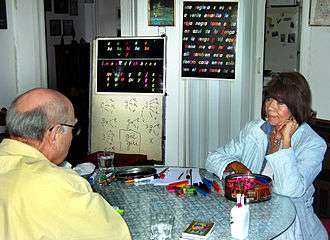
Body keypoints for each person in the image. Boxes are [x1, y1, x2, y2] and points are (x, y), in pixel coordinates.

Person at [206, 72, 328, 239]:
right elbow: (213, 158)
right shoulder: (254, 130)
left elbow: (288, 190)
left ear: (296, 106)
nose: (270, 107)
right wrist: (236, 165)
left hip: (290, 224)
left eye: (280, 103)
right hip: (251, 212)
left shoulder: (312, 144)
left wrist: (286, 142)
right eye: (269, 99)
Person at [0, 88, 131, 240]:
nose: (72, 137)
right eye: (72, 129)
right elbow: (114, 235)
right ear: (55, 134)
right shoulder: (55, 183)